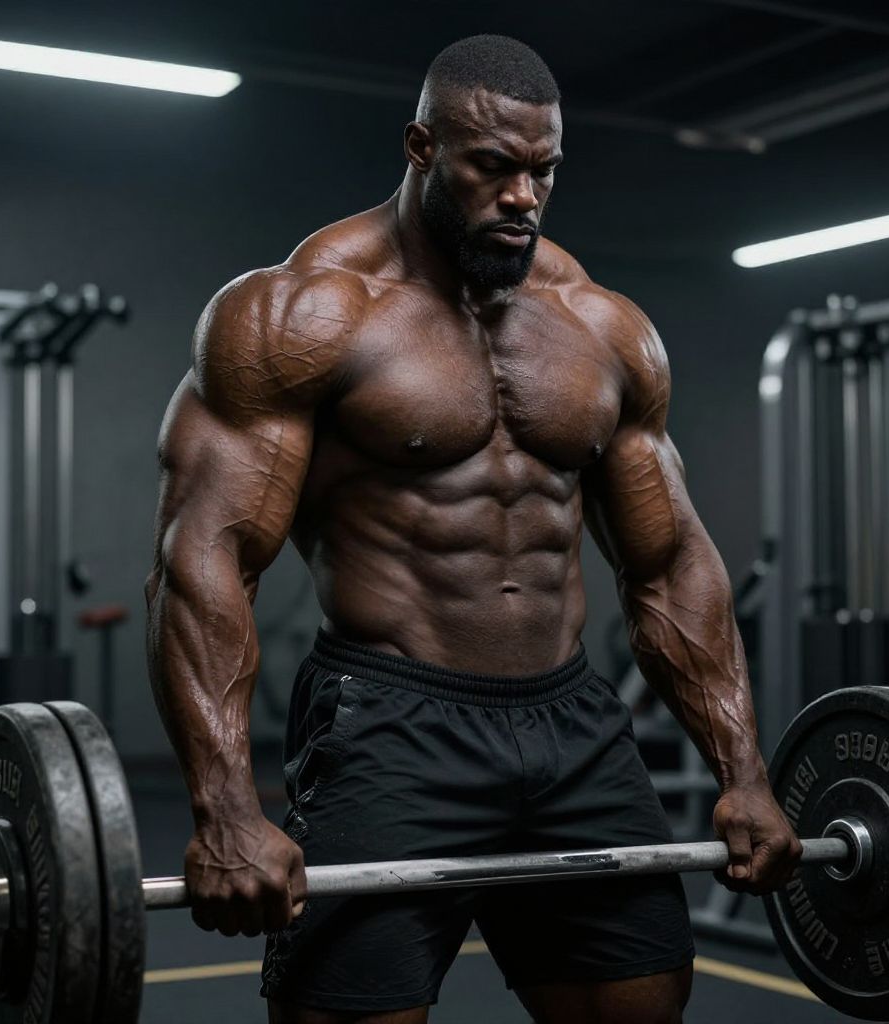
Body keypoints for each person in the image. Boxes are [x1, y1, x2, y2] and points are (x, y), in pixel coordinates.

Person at [145, 33, 801, 1024]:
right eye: (492, 167)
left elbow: (667, 564)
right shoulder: (305, 311)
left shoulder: (601, 327)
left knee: (641, 1002)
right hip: (392, 719)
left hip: (573, 718)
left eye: (542, 170)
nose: (522, 197)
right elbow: (206, 557)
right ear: (421, 148)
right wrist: (226, 807)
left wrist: (743, 774)